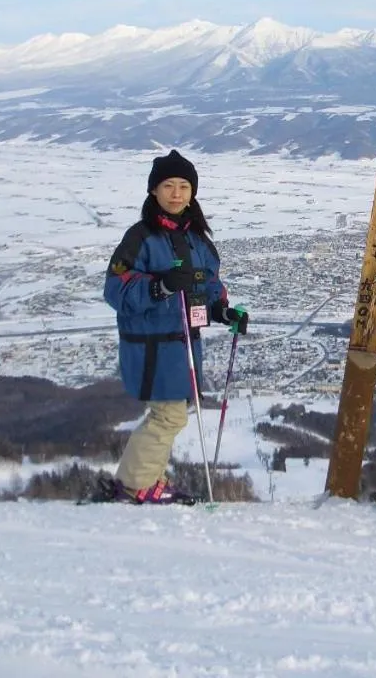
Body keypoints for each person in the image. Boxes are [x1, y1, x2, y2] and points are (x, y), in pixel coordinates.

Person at [102, 149, 249, 504]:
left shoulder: (197, 239)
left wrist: (223, 312)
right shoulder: (140, 238)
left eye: (184, 186)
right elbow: (115, 289)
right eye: (168, 185)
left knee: (170, 414)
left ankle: (147, 480)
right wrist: (160, 286)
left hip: (183, 344)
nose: (177, 193)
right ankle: (134, 486)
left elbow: (208, 286)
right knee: (168, 416)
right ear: (154, 191)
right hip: (152, 346)